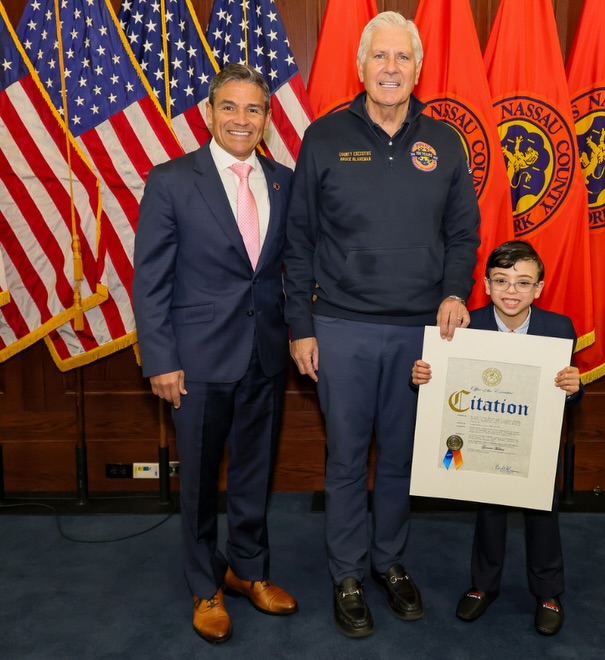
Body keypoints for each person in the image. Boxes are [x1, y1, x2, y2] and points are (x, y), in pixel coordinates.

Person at [283, 11, 481, 639]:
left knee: (400, 457)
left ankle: (388, 561)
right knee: (346, 457)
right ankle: (346, 573)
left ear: (417, 68)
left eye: (402, 57)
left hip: (422, 332)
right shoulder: (323, 136)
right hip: (341, 326)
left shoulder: (444, 141)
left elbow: (463, 233)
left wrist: (455, 292)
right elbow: (298, 239)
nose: (390, 68)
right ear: (360, 65)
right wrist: (300, 326)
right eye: (379, 56)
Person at [132, 64, 297, 644]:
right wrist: (159, 359)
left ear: (267, 119)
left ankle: (247, 570)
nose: (241, 119)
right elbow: (150, 280)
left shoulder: (283, 181)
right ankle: (205, 585)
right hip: (196, 361)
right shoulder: (172, 180)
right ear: (209, 113)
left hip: (265, 356)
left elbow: (288, 267)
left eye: (254, 109)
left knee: (255, 473)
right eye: (229, 107)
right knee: (201, 481)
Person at [411, 240, 583, 636]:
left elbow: (567, 392)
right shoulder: (463, 328)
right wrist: (419, 378)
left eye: (523, 282)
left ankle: (548, 592)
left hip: (533, 440)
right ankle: (484, 585)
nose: (511, 290)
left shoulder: (559, 328)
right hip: (482, 438)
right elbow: (438, 383)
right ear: (486, 285)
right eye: (501, 280)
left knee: (542, 513)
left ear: (539, 288)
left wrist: (574, 388)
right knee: (489, 509)